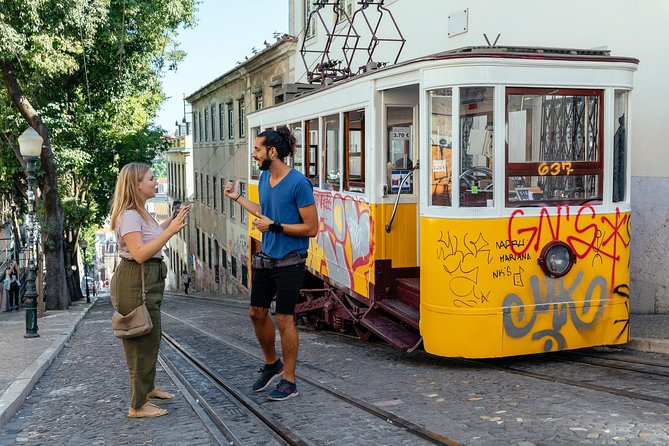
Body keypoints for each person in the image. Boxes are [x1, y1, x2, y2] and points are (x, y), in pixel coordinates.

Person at [224, 126, 318, 401]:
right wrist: (238, 198)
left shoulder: (299, 184)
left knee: (285, 318)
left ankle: (289, 380)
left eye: (257, 149)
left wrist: (274, 227)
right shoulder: (265, 178)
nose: (254, 154)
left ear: (272, 152)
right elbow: (265, 211)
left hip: (291, 260)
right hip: (267, 256)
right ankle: (271, 364)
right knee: (256, 313)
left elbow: (311, 228)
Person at [110, 162, 191, 418]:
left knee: (152, 336)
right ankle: (137, 405)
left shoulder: (142, 212)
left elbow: (151, 235)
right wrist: (172, 232)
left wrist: (172, 221)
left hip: (147, 279)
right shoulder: (131, 215)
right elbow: (140, 252)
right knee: (140, 342)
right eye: (151, 178)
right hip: (136, 279)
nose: (156, 182)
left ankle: (147, 388)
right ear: (136, 185)